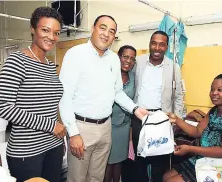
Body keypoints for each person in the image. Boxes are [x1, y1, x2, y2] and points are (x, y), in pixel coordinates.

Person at [59, 15, 148, 182]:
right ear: (93, 28)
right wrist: (73, 133)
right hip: (82, 128)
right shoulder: (75, 55)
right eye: (103, 28)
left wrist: (135, 109)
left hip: (106, 128)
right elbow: (64, 98)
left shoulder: (114, 59)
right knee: (77, 178)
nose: (106, 34)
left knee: (97, 178)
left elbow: (117, 93)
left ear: (114, 37)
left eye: (112, 31)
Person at [0, 7, 66, 182]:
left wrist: (58, 140)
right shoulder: (16, 61)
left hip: (54, 145)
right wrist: (51, 126)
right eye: (45, 30)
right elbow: (3, 107)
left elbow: (48, 104)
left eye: (56, 33)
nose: (51, 37)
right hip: (26, 152)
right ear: (33, 29)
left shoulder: (50, 65)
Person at [163, 73, 222, 182]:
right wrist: (176, 120)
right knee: (166, 176)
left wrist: (190, 149)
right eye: (212, 89)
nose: (214, 93)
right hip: (205, 160)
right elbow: (197, 131)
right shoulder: (214, 111)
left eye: (220, 90)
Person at [132, 30, 183, 182]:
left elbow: (178, 96)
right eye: (154, 43)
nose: (157, 47)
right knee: (140, 159)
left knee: (159, 163)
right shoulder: (138, 62)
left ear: (166, 47)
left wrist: (176, 121)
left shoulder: (174, 68)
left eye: (161, 44)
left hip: (162, 120)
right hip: (139, 119)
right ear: (149, 44)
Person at [103, 45, 137, 182]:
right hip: (109, 126)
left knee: (119, 162)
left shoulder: (133, 77)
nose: (128, 61)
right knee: (108, 163)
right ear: (118, 57)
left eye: (132, 58)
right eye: (125, 56)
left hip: (124, 127)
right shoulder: (109, 75)